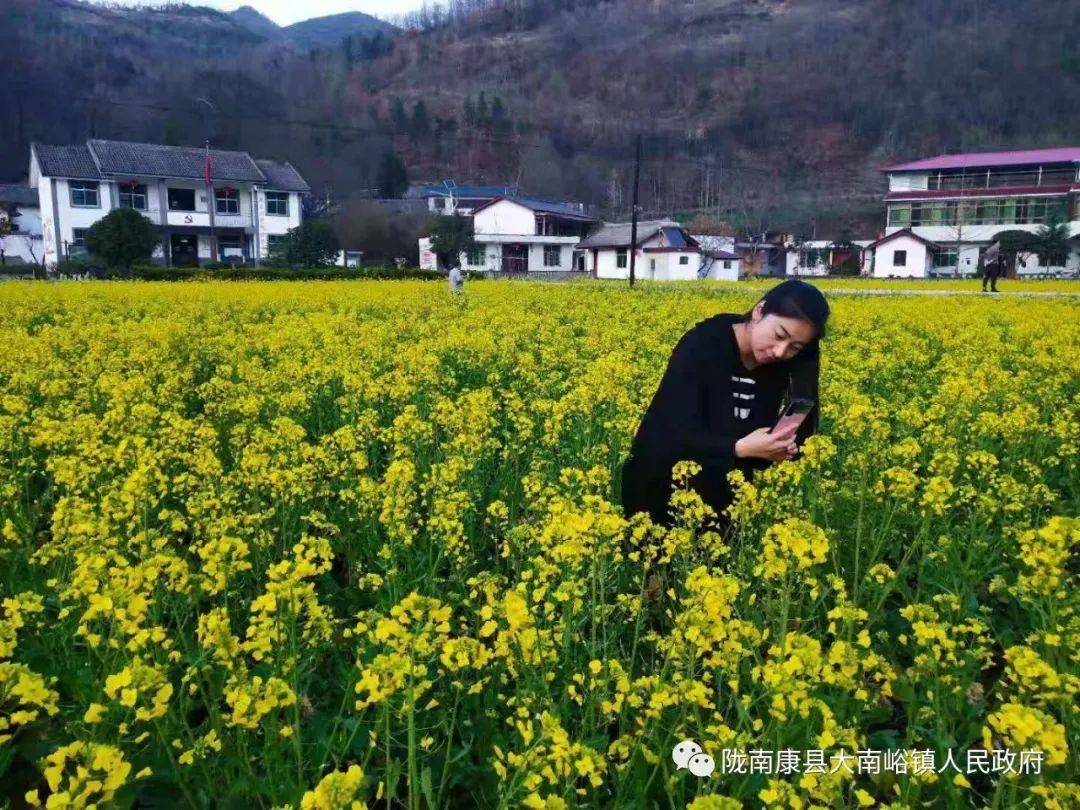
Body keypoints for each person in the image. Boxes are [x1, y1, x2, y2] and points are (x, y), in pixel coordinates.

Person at [620, 279, 830, 529]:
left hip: (724, 501)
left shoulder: (780, 366)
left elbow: (759, 449)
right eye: (779, 335)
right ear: (759, 310)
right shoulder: (703, 344)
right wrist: (739, 448)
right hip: (659, 495)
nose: (779, 351)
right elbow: (669, 436)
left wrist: (776, 447)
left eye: (795, 347)